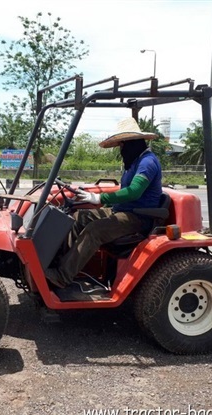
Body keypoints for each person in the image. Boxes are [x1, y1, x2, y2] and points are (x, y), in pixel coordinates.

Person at [45, 117, 163, 289]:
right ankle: (63, 264)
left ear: (132, 143)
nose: (121, 149)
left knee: (95, 230)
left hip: (139, 216)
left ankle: (62, 277)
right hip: (122, 211)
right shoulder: (134, 162)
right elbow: (123, 190)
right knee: (79, 217)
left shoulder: (148, 162)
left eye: (122, 145)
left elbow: (134, 191)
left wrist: (100, 199)